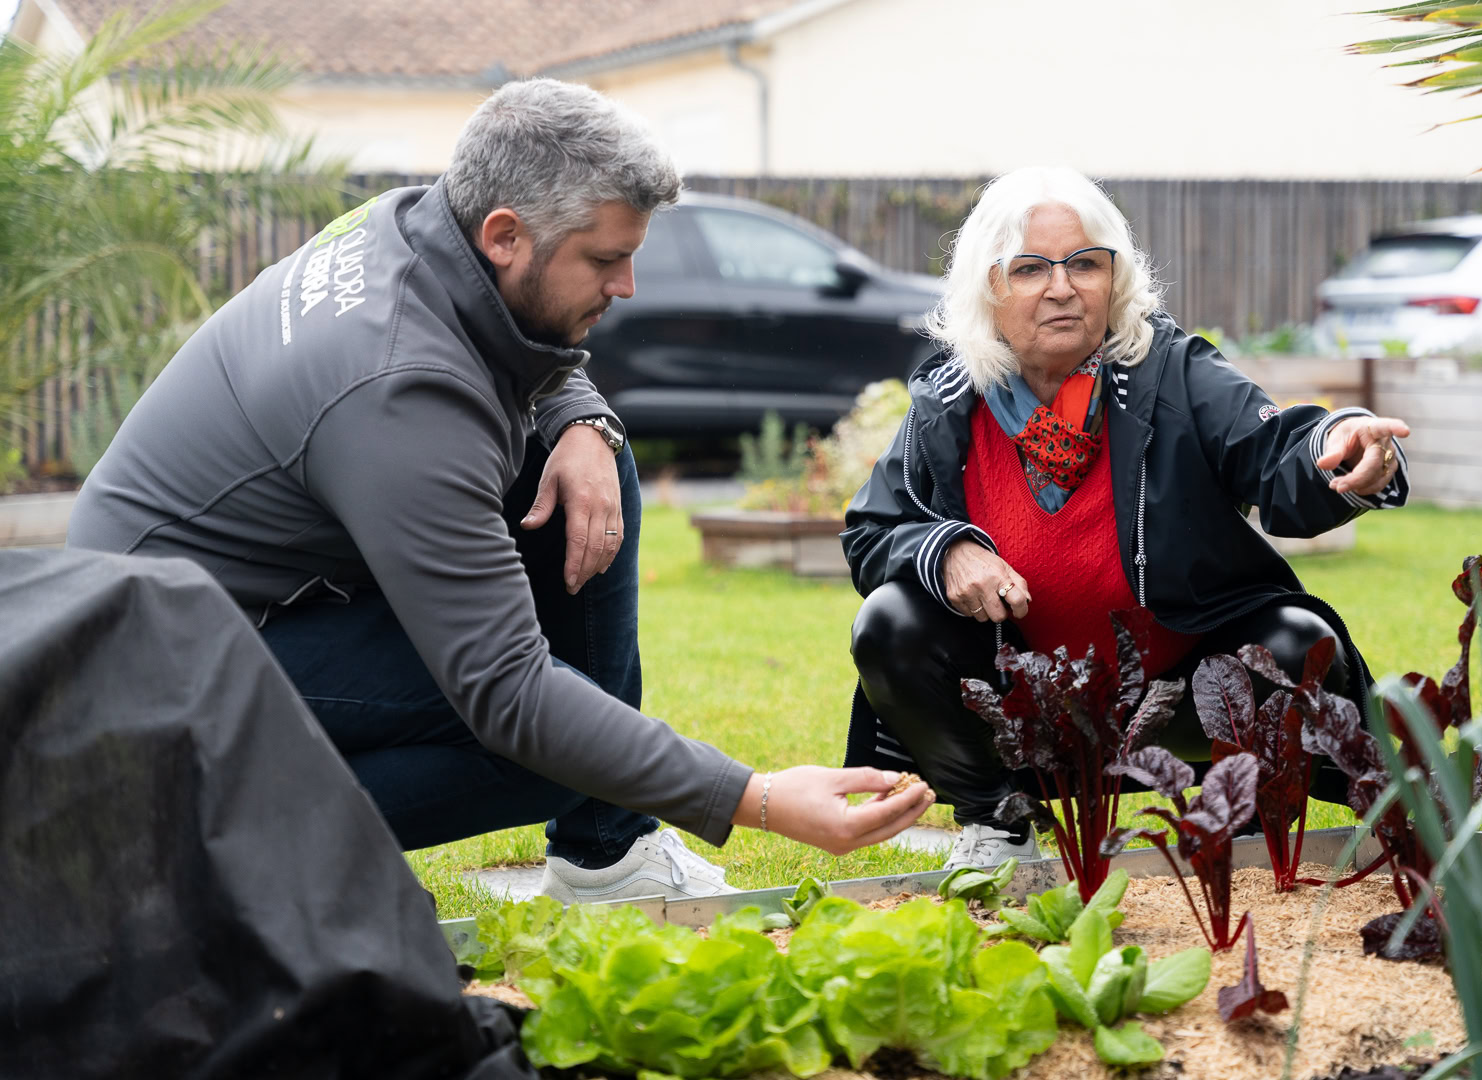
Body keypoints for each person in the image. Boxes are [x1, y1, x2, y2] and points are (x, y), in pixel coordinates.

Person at [66, 77, 933, 902]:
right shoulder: (400, 392)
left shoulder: (414, 221)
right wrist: (760, 798)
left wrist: (585, 420)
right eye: (604, 259)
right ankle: (211, 853)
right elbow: (509, 693)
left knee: (596, 467)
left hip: (222, 603)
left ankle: (606, 851)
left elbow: (508, 333)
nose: (626, 287)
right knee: (544, 747)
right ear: (506, 234)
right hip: (155, 668)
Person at [840, 166, 1409, 872]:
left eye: (1085, 263)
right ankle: (997, 824)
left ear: (1116, 278)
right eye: (1029, 269)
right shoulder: (950, 400)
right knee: (890, 621)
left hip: (1181, 695)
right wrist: (945, 550)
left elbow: (1274, 447)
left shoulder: (1170, 372)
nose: (1061, 287)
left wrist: (1341, 442)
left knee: (1298, 641)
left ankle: (1245, 826)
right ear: (990, 287)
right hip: (1020, 703)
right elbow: (871, 530)